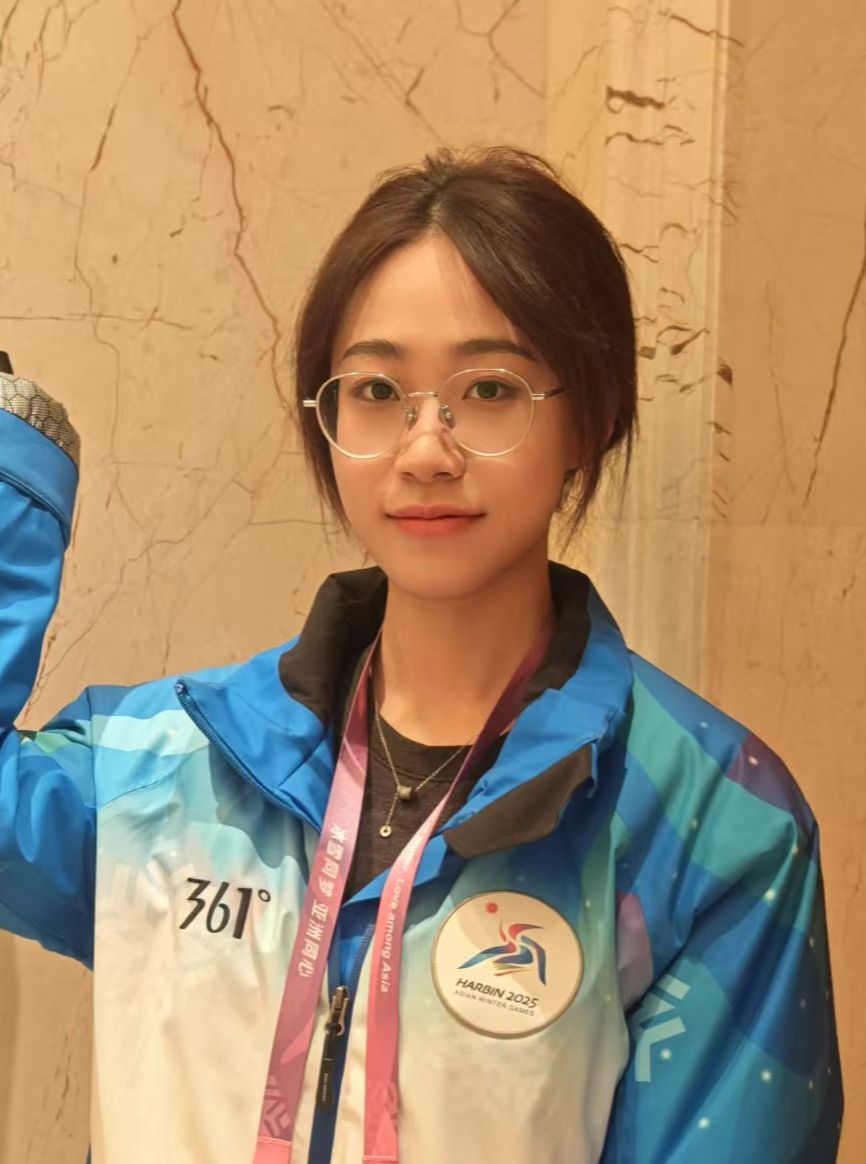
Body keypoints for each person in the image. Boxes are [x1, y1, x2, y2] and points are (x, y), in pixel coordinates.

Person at [0, 147, 842, 1164]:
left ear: (588, 418)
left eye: (488, 389)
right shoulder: (168, 770)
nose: (426, 450)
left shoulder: (712, 825)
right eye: (375, 389)